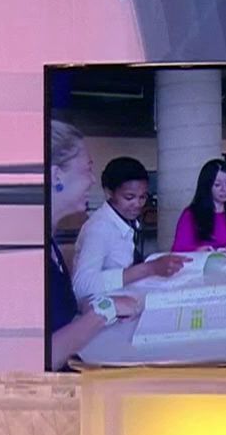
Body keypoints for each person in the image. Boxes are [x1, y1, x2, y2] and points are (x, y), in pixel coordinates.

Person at [47, 121, 143, 370]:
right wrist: (105, 310)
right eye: (87, 169)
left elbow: (61, 310)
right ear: (56, 176)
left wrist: (90, 306)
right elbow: (42, 357)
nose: (91, 180)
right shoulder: (29, 251)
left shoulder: (50, 243)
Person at [70, 156, 184, 304]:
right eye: (129, 197)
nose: (137, 204)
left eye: (142, 197)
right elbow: (81, 286)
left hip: (124, 298)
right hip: (100, 308)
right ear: (109, 193)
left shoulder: (127, 221)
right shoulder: (99, 228)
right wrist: (147, 269)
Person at [170, 159, 226, 252]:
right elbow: (178, 250)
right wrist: (198, 250)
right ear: (207, 186)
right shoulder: (190, 214)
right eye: (217, 185)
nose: (224, 189)